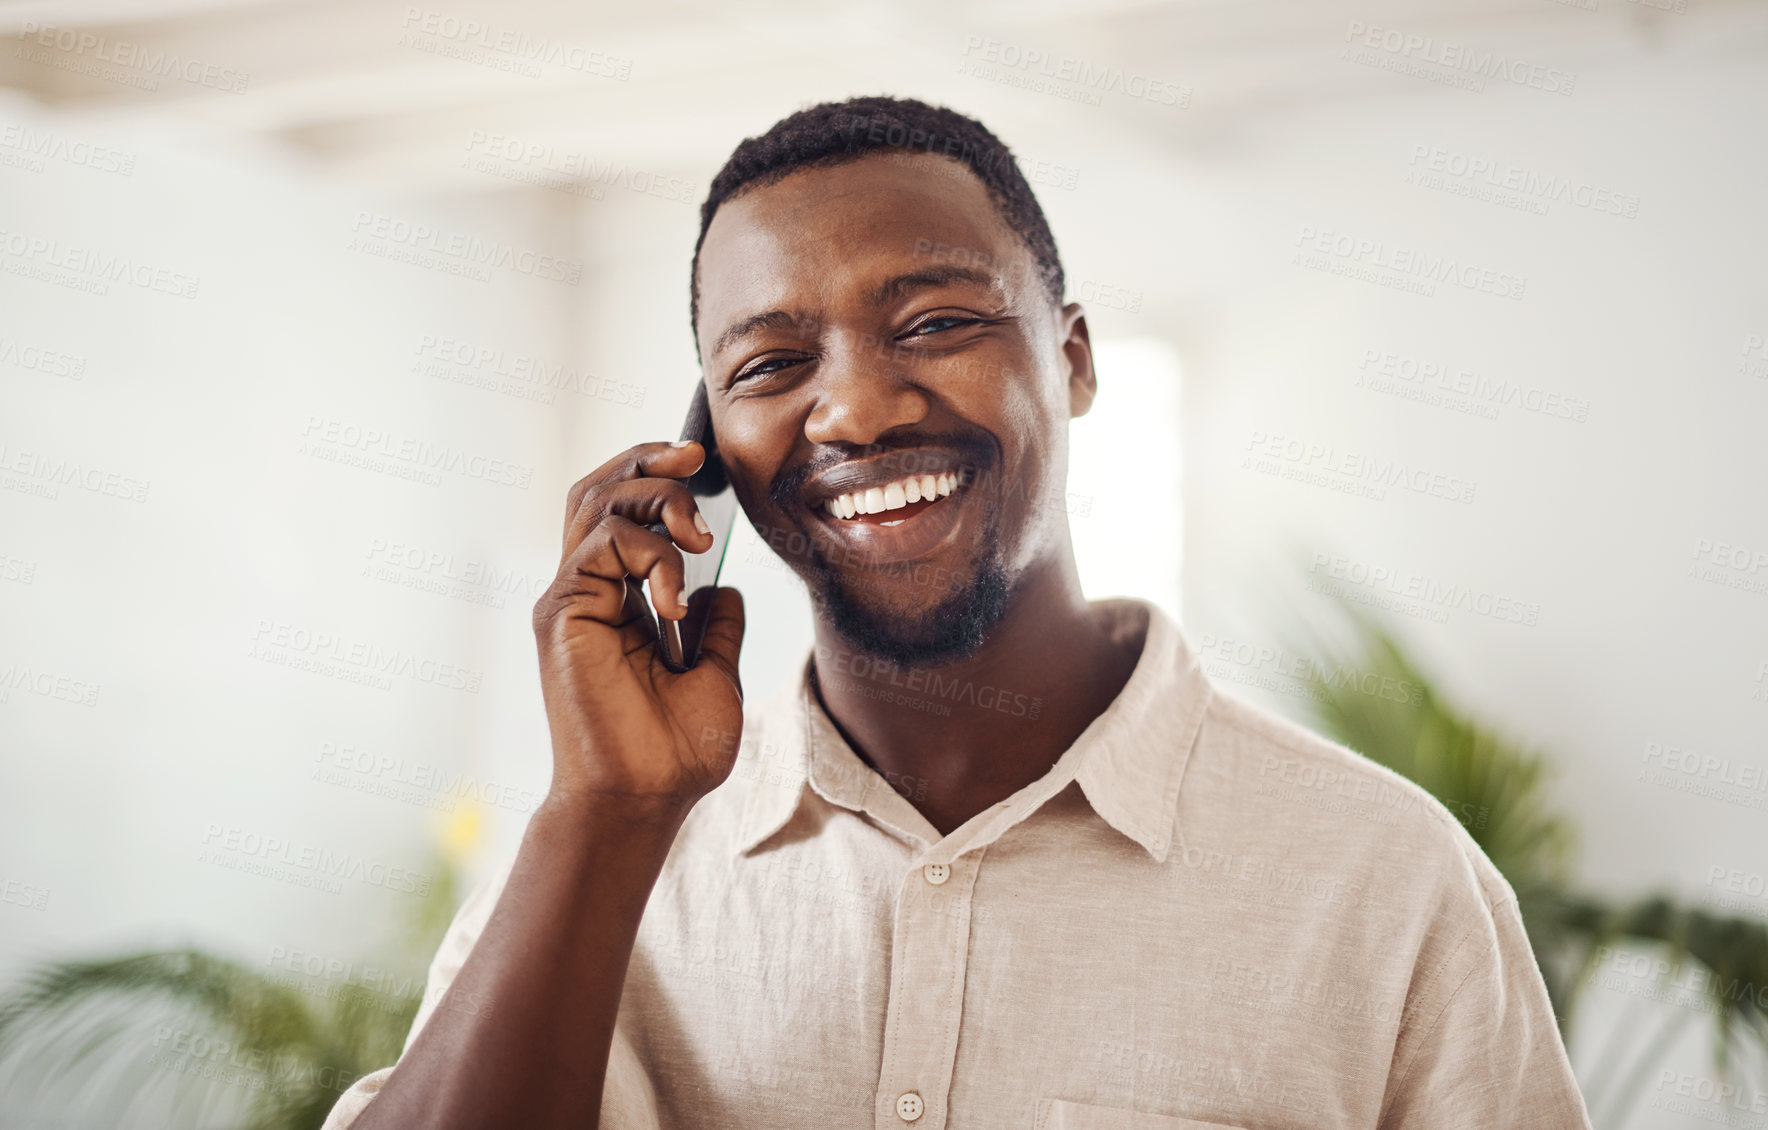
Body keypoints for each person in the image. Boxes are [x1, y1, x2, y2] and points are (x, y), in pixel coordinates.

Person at [325, 96, 1592, 1130]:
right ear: (703, 447)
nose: (858, 413)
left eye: (934, 322)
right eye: (771, 364)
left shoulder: (1383, 881)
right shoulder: (599, 861)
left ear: (1075, 357)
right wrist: (605, 816)